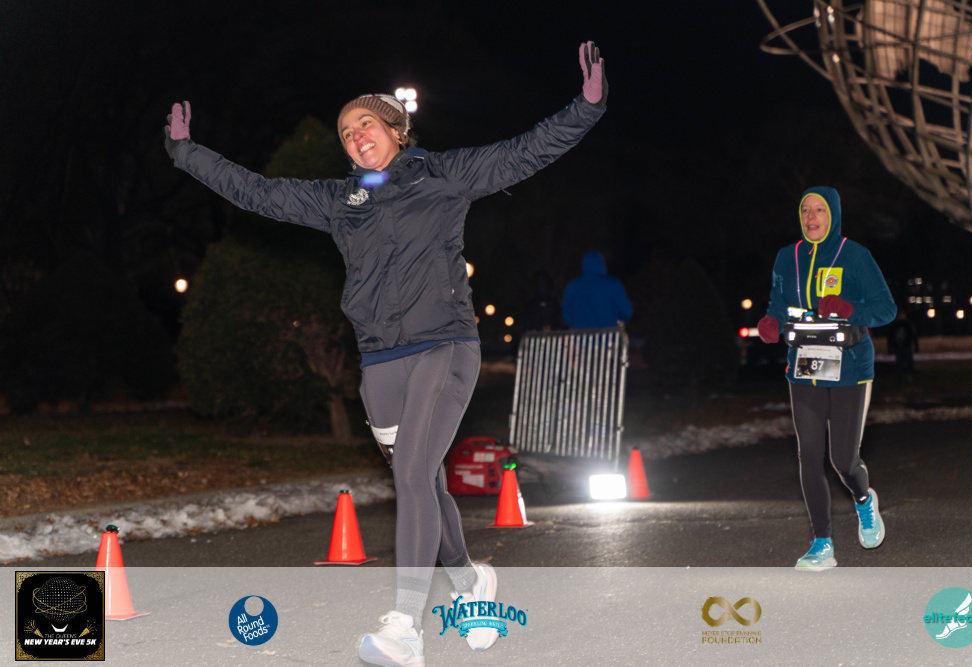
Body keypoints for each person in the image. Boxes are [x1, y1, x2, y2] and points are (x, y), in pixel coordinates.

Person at [164, 41, 607, 666]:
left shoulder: (444, 175)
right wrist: (187, 153)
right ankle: (470, 583)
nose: (355, 137)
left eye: (365, 124)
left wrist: (585, 106)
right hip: (379, 362)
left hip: (443, 345)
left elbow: (523, 151)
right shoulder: (338, 202)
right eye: (346, 133)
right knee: (424, 477)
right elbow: (257, 192)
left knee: (411, 476)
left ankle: (405, 628)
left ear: (396, 129)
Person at [756, 186, 896, 571]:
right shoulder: (787, 257)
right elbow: (778, 304)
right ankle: (822, 543)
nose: (811, 217)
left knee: (843, 460)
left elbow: (885, 309)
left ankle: (864, 500)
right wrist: (771, 323)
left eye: (819, 210)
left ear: (832, 215)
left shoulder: (855, 255)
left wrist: (850, 308)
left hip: (850, 368)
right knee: (808, 455)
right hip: (804, 368)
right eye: (805, 210)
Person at [560, 250, 632, 329]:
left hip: (581, 334)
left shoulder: (572, 286)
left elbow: (566, 313)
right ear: (602, 264)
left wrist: (575, 324)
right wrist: (622, 319)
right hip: (609, 333)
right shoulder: (613, 283)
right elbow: (625, 310)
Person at [886, 310, 919, 383]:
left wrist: (916, 346)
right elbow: (890, 338)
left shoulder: (907, 324)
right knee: (900, 363)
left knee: (908, 362)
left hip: (906, 346)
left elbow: (913, 335)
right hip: (899, 347)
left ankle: (907, 376)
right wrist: (890, 348)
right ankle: (900, 378)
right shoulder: (895, 325)